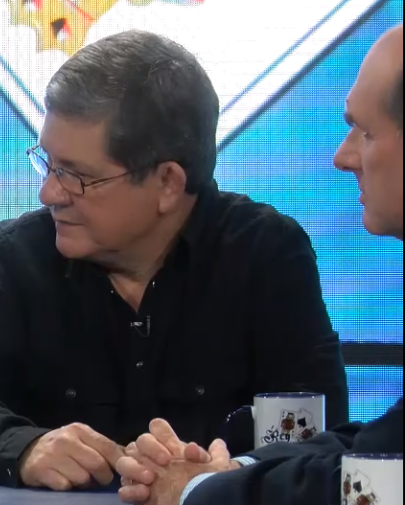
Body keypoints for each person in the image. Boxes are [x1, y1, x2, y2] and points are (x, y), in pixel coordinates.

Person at [0, 29, 349, 491]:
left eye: (76, 176)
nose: (49, 193)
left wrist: (231, 476)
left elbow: (322, 440)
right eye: (48, 164)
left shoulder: (265, 255)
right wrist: (23, 448)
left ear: (167, 183)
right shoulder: (16, 258)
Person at [114, 22, 404, 505]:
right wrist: (230, 471)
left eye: (366, 132)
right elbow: (383, 446)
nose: (343, 156)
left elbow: (378, 483)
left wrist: (198, 489)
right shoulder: (18, 255)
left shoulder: (265, 248)